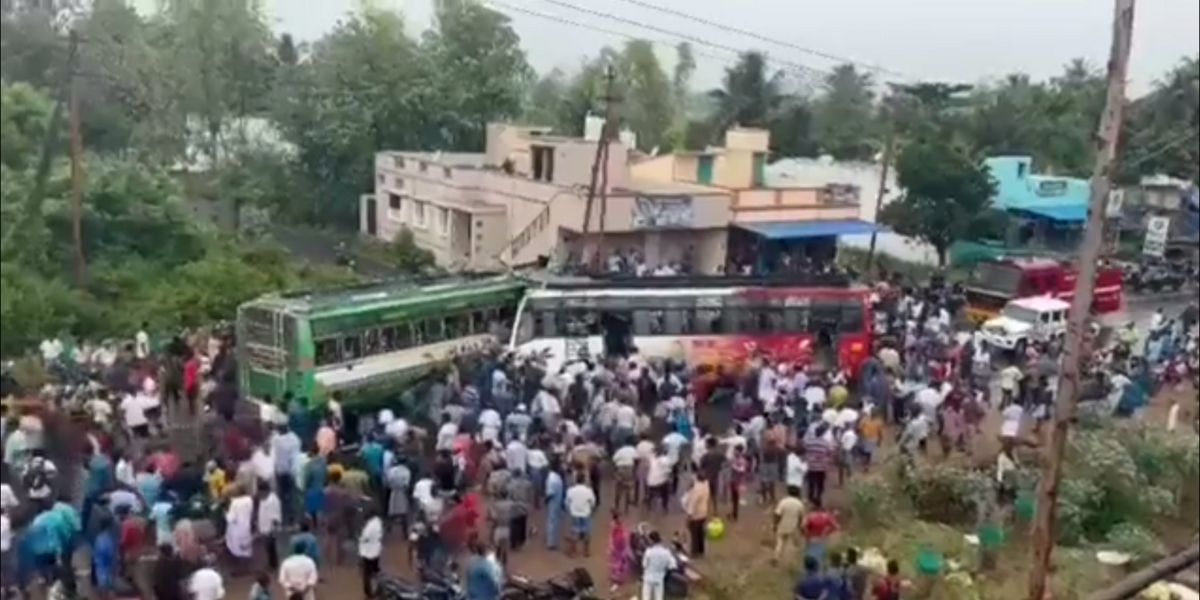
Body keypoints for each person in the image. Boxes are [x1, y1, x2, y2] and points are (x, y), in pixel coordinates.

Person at [565, 474, 597, 557]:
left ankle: (573, 552)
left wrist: (570, 509)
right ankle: (586, 551)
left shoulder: (571, 490)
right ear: (584, 480)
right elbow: (593, 503)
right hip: (585, 513)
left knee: (574, 532)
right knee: (587, 532)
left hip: (575, 513)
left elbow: (567, 503)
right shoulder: (588, 491)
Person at [640, 531, 677, 600]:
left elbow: (644, 565)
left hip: (648, 578)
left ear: (651, 541)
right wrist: (665, 570)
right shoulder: (666, 552)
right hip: (659, 579)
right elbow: (672, 565)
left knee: (646, 597)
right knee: (658, 598)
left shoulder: (648, 552)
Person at [773, 486, 806, 562]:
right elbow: (801, 517)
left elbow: (777, 514)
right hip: (793, 527)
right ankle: (789, 561)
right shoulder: (799, 504)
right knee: (791, 543)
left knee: (780, 542)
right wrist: (801, 528)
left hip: (782, 525)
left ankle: (776, 557)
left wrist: (775, 524)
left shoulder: (783, 501)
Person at [682, 472, 711, 557]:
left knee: (694, 533)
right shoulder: (706, 484)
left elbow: (692, 504)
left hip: (696, 514)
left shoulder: (696, 489)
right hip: (704, 512)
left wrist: (688, 516)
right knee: (700, 532)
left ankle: (694, 552)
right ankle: (701, 550)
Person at [358, 508, 383, 598]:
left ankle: (369, 592)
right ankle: (378, 588)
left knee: (367, 574)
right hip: (376, 550)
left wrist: (360, 539)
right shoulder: (378, 522)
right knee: (375, 571)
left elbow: (366, 537)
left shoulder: (371, 525)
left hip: (368, 552)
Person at [608, 511, 634, 591]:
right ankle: (616, 579)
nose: (621, 519)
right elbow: (611, 536)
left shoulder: (622, 526)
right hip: (617, 546)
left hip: (622, 546)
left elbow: (625, 536)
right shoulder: (613, 525)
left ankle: (620, 578)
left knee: (622, 562)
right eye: (620, 517)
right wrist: (611, 545)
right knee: (617, 563)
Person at [544, 462, 565, 551]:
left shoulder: (554, 477)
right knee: (553, 522)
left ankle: (552, 541)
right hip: (554, 502)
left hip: (555, 502)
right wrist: (547, 500)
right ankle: (551, 543)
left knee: (553, 522)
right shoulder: (553, 478)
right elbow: (550, 493)